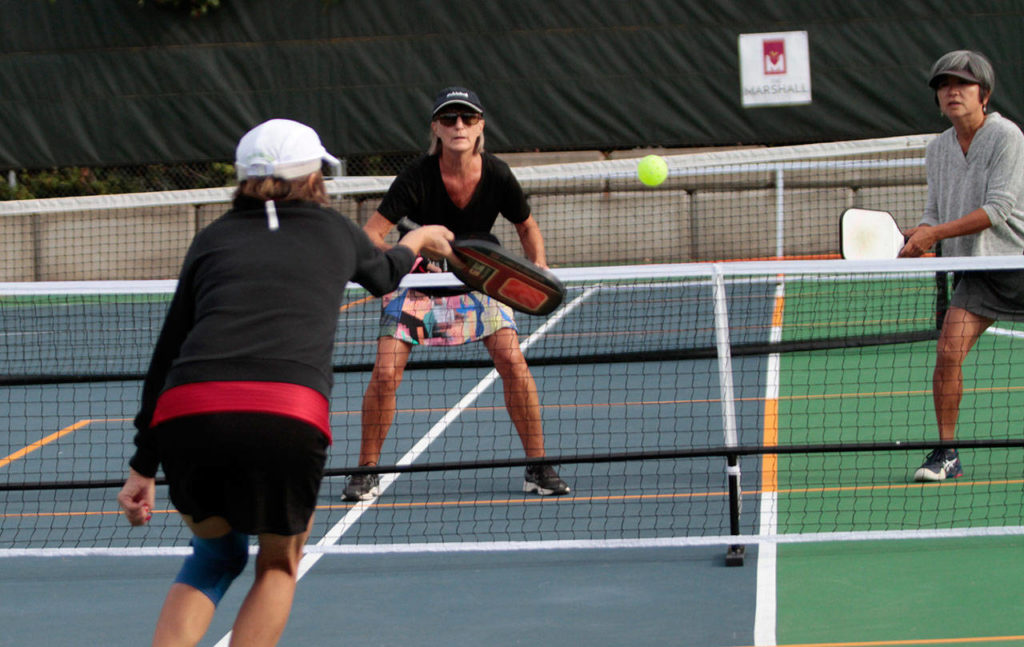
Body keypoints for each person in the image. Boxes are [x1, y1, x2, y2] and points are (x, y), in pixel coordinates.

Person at [117, 118, 453, 647]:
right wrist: (417, 241)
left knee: (214, 556)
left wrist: (142, 465)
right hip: (286, 416)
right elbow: (387, 273)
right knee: (277, 567)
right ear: (317, 175)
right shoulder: (335, 229)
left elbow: (167, 355)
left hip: (187, 415)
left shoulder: (211, 239)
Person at [342, 86, 571, 501]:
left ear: (480, 125)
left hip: (482, 279)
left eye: (467, 118)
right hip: (419, 284)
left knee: (512, 361)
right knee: (386, 372)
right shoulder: (416, 176)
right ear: (436, 128)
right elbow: (371, 236)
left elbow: (526, 226)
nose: (459, 125)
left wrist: (536, 269)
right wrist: (410, 258)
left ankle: (538, 467)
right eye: (449, 119)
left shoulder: (498, 173)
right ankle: (366, 471)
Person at [899, 50, 1024, 481]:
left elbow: (999, 209)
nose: (951, 92)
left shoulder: (1006, 136)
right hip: (978, 272)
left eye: (962, 85)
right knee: (948, 353)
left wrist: (935, 235)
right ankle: (948, 453)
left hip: (1020, 263)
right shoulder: (937, 149)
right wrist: (919, 234)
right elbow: (934, 211)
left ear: (983, 94)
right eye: (943, 86)